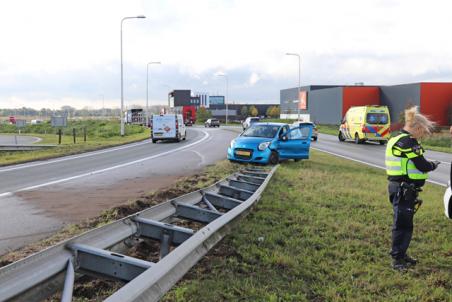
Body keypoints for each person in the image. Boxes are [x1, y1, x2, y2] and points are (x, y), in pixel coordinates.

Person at [385, 106, 440, 271]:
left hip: (401, 189)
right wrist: (433, 165)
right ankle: (397, 260)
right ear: (416, 127)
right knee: (402, 225)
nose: (423, 135)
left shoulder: (397, 139)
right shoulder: (409, 142)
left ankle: (402, 254)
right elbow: (422, 165)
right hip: (404, 190)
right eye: (423, 131)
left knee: (405, 225)